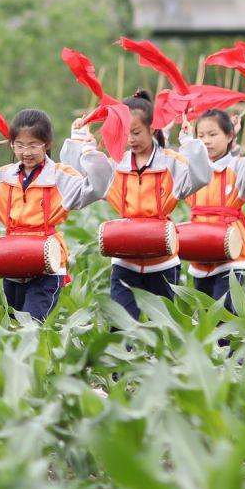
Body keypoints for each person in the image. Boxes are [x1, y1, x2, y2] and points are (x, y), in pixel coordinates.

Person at [66, 90, 211, 319]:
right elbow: (84, 180)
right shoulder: (117, 164)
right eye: (125, 133)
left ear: (152, 129)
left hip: (162, 262)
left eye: (136, 132)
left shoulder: (170, 162)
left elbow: (200, 177)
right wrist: (79, 141)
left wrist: (190, 143)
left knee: (161, 327)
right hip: (125, 258)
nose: (130, 139)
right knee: (121, 325)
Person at [0, 108, 112, 322]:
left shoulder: (59, 177)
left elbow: (97, 187)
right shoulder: (3, 176)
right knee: (16, 326)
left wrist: (84, 148)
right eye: (19, 145)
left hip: (48, 264)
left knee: (31, 326)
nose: (26, 152)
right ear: (11, 144)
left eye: (33, 145)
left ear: (46, 144)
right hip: (12, 261)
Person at [180, 107, 245, 307]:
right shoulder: (193, 171)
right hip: (200, 251)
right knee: (205, 313)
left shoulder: (239, 168)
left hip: (231, 253)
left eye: (213, 134)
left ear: (229, 135)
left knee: (224, 313)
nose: (206, 141)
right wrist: (186, 141)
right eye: (201, 136)